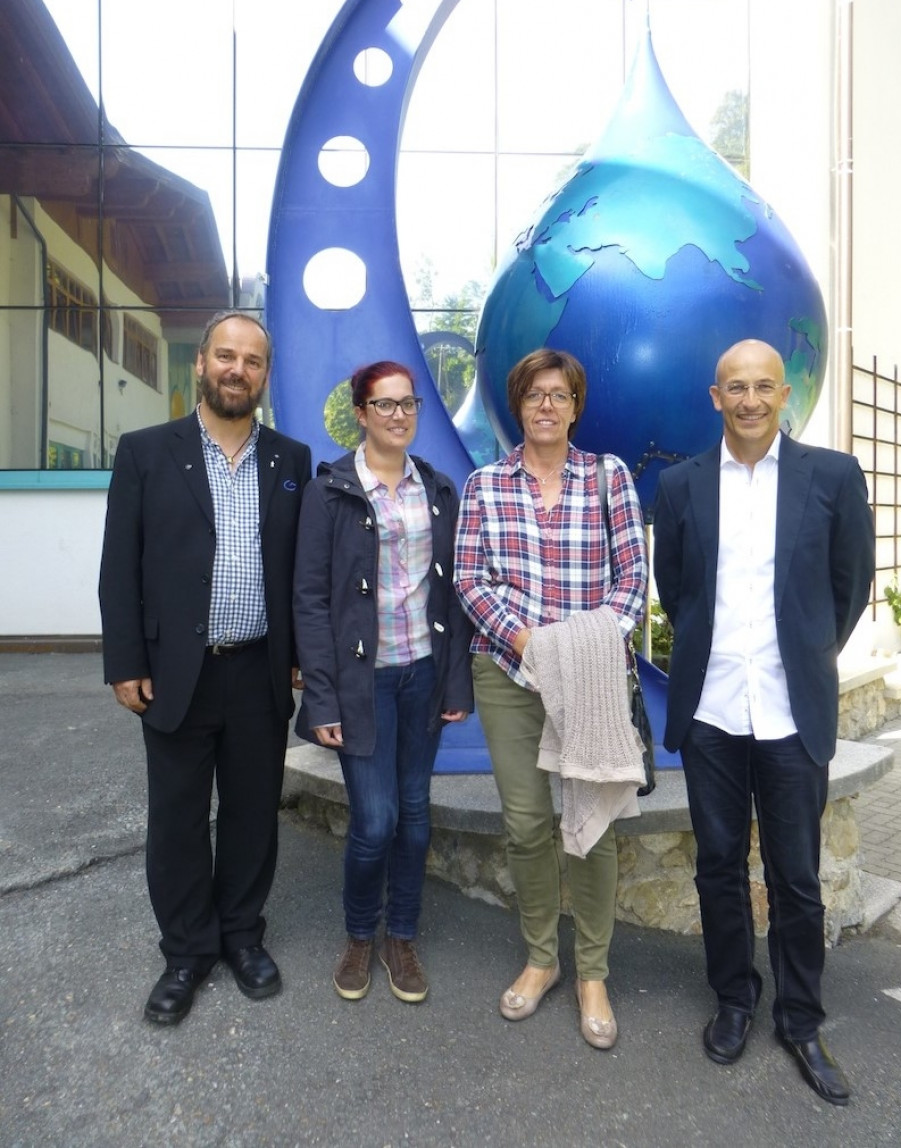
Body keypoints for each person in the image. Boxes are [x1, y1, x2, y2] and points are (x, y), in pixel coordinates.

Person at [653, 338, 874, 1106]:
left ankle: (800, 1019)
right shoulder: (679, 487)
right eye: (734, 388)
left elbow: (848, 587)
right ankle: (735, 998)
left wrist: (806, 653)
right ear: (714, 397)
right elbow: (675, 588)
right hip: (712, 707)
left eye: (762, 387)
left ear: (784, 395)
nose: (749, 400)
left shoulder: (834, 478)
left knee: (796, 879)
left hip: (788, 709)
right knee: (716, 865)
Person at [99, 310, 312, 1025]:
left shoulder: (291, 460)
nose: (236, 370)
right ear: (201, 363)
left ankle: (241, 937)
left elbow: (299, 572)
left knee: (253, 815)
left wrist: (301, 659)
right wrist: (124, 659)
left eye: (252, 361)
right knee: (179, 820)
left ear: (264, 375)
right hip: (174, 671)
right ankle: (187, 952)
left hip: (258, 671)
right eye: (225, 355)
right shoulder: (145, 452)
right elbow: (118, 567)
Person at [453, 348, 648, 1049]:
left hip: (591, 678)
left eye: (558, 395)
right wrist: (529, 643)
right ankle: (541, 959)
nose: (545, 406)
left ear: (575, 406)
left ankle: (591, 971)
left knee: (590, 821)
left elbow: (632, 582)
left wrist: (578, 647)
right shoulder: (483, 485)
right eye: (533, 394)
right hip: (508, 676)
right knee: (528, 823)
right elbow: (470, 580)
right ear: (517, 404)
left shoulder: (608, 478)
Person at [293, 361, 473, 1004]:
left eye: (409, 404)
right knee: (376, 820)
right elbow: (310, 601)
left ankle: (402, 936)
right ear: (361, 414)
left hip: (422, 675)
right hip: (360, 683)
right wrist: (320, 696)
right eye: (385, 404)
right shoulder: (331, 492)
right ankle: (359, 936)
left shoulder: (439, 490)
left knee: (416, 815)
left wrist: (455, 685)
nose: (399, 415)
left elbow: (454, 598)